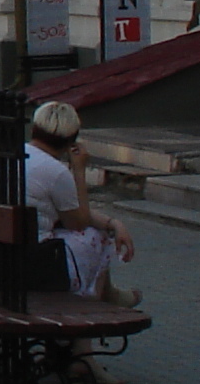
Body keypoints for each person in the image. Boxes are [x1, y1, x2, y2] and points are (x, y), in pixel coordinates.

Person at [24, 100, 138, 302]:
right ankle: (97, 301)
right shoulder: (56, 172)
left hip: (0, 255)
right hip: (34, 262)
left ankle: (106, 295)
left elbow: (70, 212)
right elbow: (78, 223)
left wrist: (113, 222)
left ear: (34, 128)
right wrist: (79, 170)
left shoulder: (15, 155)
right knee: (97, 236)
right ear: (72, 142)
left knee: (98, 230)